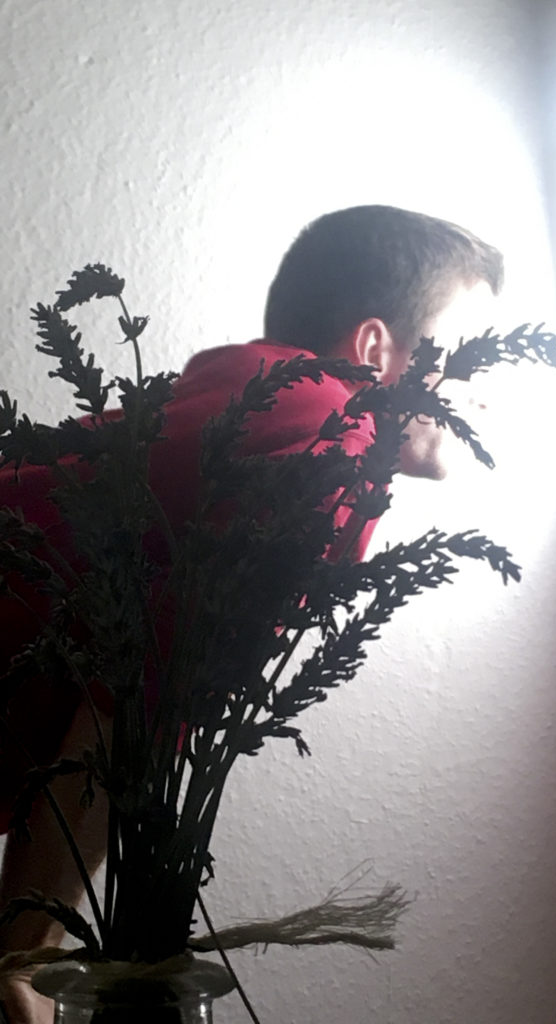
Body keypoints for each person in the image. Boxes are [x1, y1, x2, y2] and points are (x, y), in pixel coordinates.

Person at [0, 204, 503, 1023]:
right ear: (376, 350)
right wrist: (19, 963)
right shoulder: (330, 447)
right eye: (469, 355)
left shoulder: (274, 402)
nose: (486, 393)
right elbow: (132, 711)